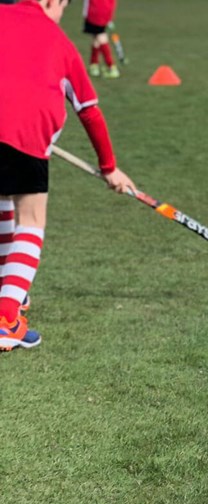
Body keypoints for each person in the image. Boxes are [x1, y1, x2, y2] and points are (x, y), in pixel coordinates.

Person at [0, 0, 135, 351]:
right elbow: (89, 111)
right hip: (27, 136)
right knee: (30, 219)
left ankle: (7, 288)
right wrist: (109, 168)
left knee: (3, 200)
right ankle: (5, 319)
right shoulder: (61, 43)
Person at [83, 0, 119, 78]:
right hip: (105, 11)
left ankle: (111, 66)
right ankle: (94, 64)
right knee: (96, 36)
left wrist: (85, 13)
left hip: (94, 12)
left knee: (100, 36)